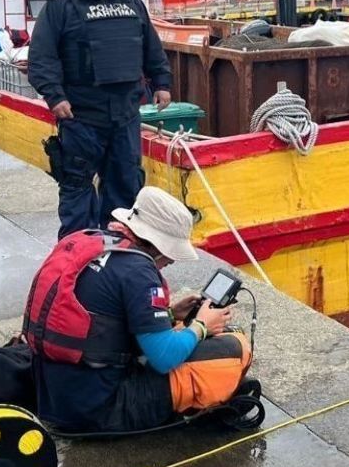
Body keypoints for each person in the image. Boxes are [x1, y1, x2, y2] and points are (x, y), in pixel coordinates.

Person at [24, 186, 254, 434]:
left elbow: (102, 323)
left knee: (174, 329)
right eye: (170, 253)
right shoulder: (137, 271)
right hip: (100, 409)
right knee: (233, 348)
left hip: (52, 392)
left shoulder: (88, 241)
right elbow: (164, 358)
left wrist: (169, 313)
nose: (172, 261)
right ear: (157, 244)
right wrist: (201, 326)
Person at [28, 0, 173, 238]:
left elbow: (150, 48)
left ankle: (117, 257)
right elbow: (41, 57)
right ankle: (76, 259)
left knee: (125, 189)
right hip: (81, 118)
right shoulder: (61, 6)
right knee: (77, 192)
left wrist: (162, 82)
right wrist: (54, 96)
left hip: (125, 117)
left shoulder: (132, 4)